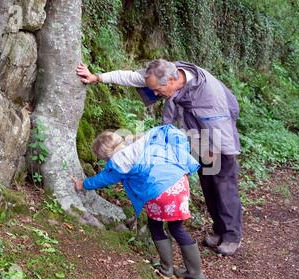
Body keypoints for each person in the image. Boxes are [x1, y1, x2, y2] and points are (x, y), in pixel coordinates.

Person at [77, 59, 243, 256]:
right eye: (153, 89)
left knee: (223, 184)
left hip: (218, 138)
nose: (155, 94)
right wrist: (97, 77)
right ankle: (219, 230)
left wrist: (218, 152)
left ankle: (232, 236)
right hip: (197, 135)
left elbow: (221, 125)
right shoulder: (161, 73)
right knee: (208, 184)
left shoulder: (208, 95)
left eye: (157, 90)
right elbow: (131, 77)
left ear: (172, 80)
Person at [72, 124, 205, 279]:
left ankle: (166, 270)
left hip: (160, 191)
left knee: (155, 226)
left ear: (105, 155)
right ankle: (195, 273)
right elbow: (171, 134)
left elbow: (102, 179)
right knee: (176, 228)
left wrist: (82, 184)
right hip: (179, 183)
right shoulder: (143, 141)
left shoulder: (119, 162)